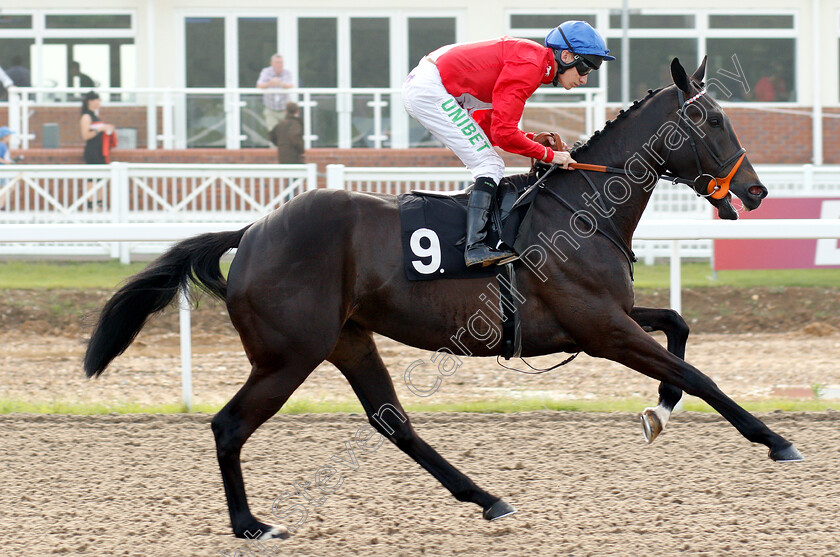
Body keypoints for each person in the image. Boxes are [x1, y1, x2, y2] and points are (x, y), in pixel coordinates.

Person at [403, 21, 614, 267]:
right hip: (432, 89)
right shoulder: (530, 65)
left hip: (437, 86)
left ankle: (476, 241)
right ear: (566, 55)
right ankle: (475, 248)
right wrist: (549, 155)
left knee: (488, 159)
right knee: (489, 164)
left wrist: (532, 139)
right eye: (584, 69)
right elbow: (503, 134)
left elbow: (490, 127)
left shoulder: (532, 61)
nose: (585, 79)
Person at [79, 92, 116, 207]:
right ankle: (90, 202)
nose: (99, 102)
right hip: (92, 150)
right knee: (92, 177)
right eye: (97, 100)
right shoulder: (86, 116)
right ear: (90, 101)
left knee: (101, 177)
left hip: (100, 150)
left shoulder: (95, 116)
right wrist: (99, 129)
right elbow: (85, 135)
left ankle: (99, 202)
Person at [256, 54, 295, 132]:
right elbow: (259, 85)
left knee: (287, 132)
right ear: (272, 63)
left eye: (281, 62)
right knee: (273, 132)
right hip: (270, 108)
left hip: (285, 109)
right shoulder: (266, 72)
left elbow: (291, 85)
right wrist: (270, 83)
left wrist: (280, 83)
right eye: (277, 62)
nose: (279, 64)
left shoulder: (287, 73)